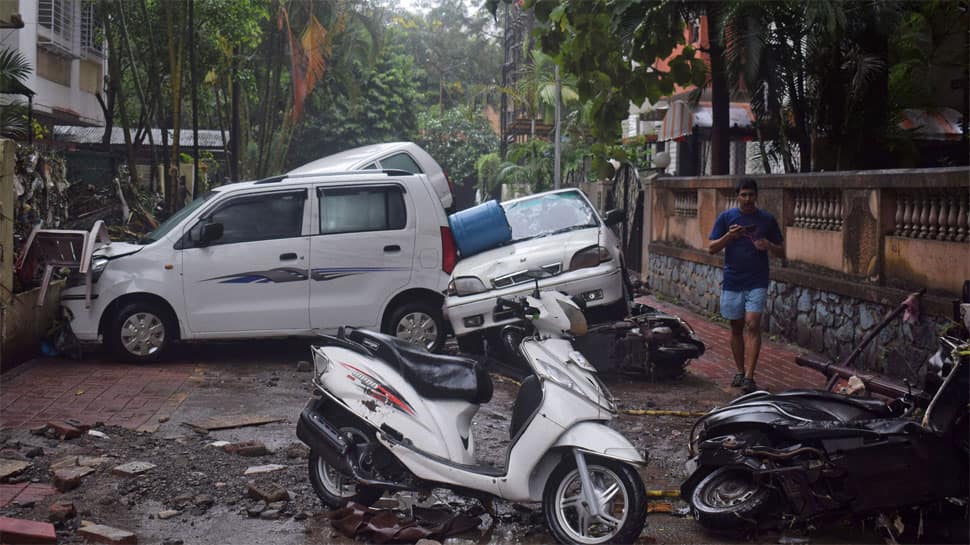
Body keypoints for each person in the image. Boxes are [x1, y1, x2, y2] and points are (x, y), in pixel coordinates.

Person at [708, 178, 784, 393]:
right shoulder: (726, 218)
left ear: (756, 196)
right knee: (736, 327)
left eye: (751, 195)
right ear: (738, 196)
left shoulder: (767, 220)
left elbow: (782, 251)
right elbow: (712, 248)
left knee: (753, 324)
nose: (748, 199)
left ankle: (750, 377)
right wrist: (729, 237)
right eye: (744, 195)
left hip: (757, 279)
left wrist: (768, 245)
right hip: (733, 279)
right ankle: (740, 371)